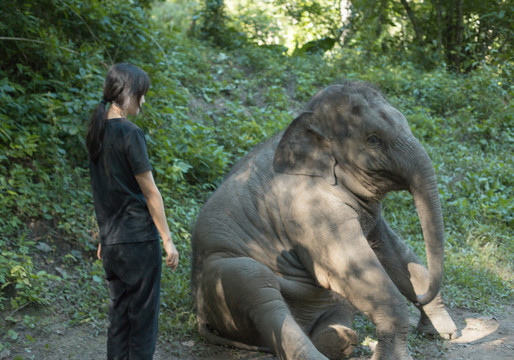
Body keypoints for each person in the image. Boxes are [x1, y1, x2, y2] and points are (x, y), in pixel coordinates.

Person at [86, 63, 179, 359]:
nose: (143, 100)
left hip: (113, 245)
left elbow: (106, 191)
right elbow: (151, 193)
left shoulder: (97, 133)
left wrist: (105, 237)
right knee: (142, 323)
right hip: (139, 241)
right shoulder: (130, 133)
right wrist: (167, 239)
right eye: (141, 94)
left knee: (119, 320)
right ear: (126, 94)